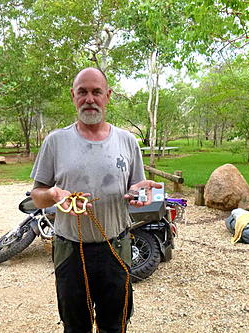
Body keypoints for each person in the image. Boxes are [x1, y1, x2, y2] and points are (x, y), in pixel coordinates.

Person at [30, 67, 161, 333]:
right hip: (70, 249)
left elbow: (137, 188)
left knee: (115, 324)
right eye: (83, 92)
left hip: (116, 245)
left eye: (96, 92)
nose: (90, 98)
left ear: (108, 96)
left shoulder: (127, 141)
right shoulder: (56, 141)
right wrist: (54, 195)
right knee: (75, 324)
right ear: (73, 96)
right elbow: (37, 195)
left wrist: (140, 194)